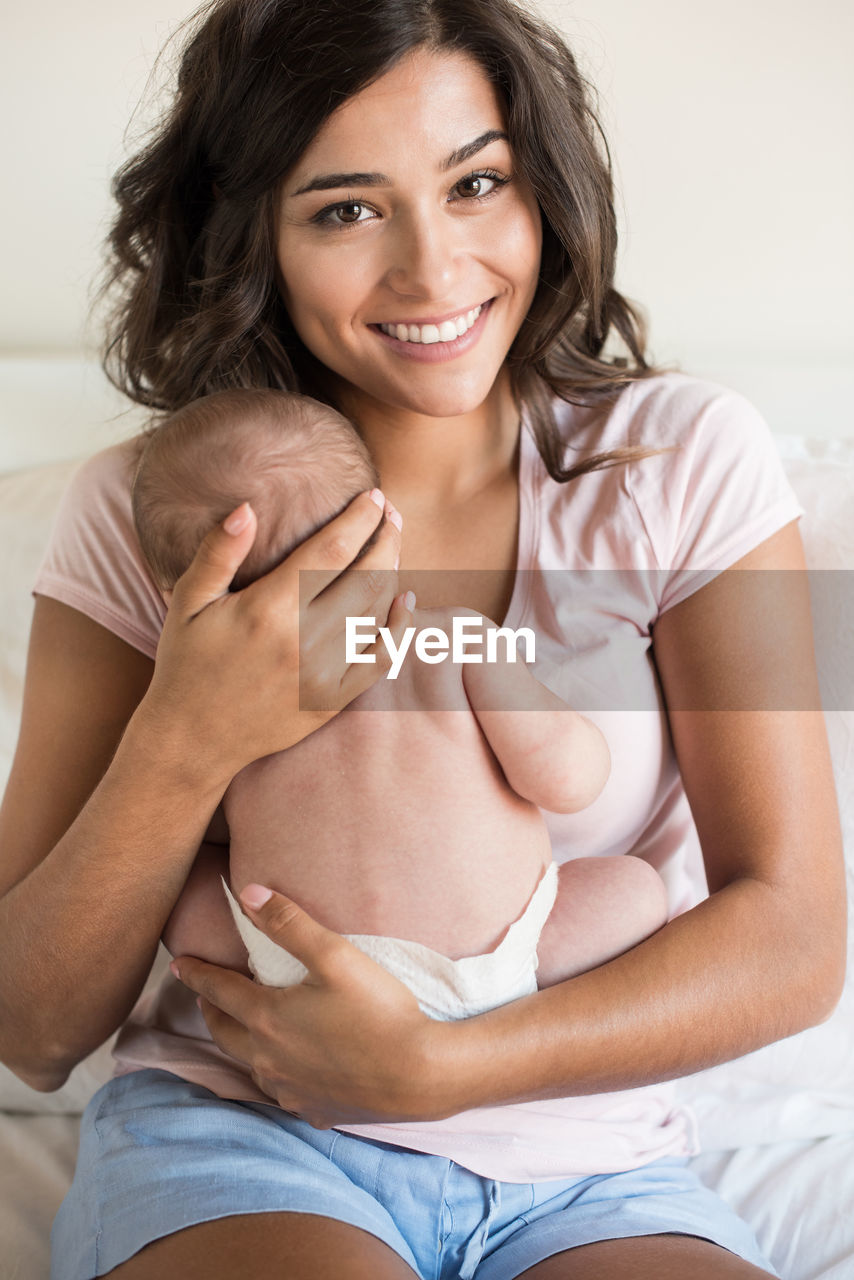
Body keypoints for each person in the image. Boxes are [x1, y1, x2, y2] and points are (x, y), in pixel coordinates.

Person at [0, 1, 844, 1277]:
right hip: (247, 1129)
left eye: (475, 184)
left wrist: (441, 1063)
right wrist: (185, 738)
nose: (433, 272)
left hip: (592, 1167)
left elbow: (790, 938)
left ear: (540, 190)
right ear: (254, 238)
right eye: (345, 208)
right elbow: (33, 1031)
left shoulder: (680, 461)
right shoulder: (157, 513)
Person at [131, 384, 664, 1004]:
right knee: (638, 889)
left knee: (174, 890)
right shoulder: (454, 641)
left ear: (178, 599)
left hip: (294, 970)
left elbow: (214, 832)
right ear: (382, 534)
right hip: (487, 970)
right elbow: (567, 781)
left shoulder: (220, 707)